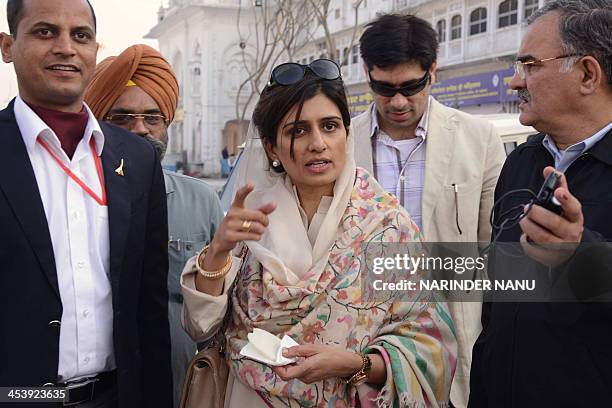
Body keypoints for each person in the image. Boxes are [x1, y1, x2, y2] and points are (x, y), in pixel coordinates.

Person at [180, 59, 457, 407]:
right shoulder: (249, 223)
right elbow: (200, 327)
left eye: (329, 126)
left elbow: (428, 344)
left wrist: (357, 365)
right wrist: (219, 250)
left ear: (346, 132)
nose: (317, 143)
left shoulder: (386, 226)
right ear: (271, 147)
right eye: (297, 130)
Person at [0, 1, 172, 407]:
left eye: (80, 35)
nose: (65, 47)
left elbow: (149, 307)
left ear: (95, 48)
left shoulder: (137, 159)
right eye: (45, 32)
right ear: (8, 46)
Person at [351, 13, 506, 407]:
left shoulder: (479, 139)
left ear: (432, 72)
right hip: (358, 346)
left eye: (411, 86)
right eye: (384, 88)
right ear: (367, 74)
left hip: (451, 345)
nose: (398, 101)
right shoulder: (339, 141)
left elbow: (494, 253)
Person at [469, 1, 612, 406]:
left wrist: (580, 254)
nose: (514, 82)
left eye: (530, 66)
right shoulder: (520, 161)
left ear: (587, 73)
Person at [84, 44, 224, 408]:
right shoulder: (77, 206)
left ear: (167, 126)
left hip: (185, 390)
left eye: (152, 118)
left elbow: (224, 312)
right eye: (122, 119)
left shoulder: (202, 201)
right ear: (97, 123)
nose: (140, 130)